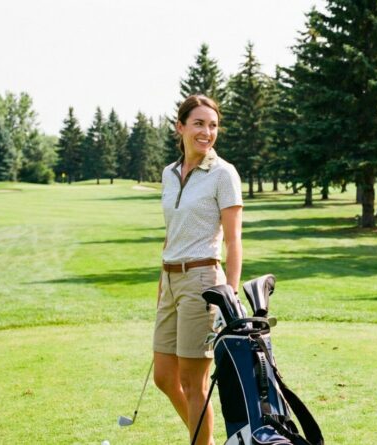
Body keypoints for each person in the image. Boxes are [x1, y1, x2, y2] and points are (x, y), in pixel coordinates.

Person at [153, 94, 243, 445]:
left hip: (203, 282)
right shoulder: (169, 173)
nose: (207, 132)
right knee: (164, 376)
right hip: (170, 279)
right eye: (199, 124)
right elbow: (170, 233)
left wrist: (230, 297)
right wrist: (163, 283)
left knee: (194, 383)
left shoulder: (224, 174)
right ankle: (199, 434)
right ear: (181, 127)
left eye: (213, 125)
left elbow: (234, 241)